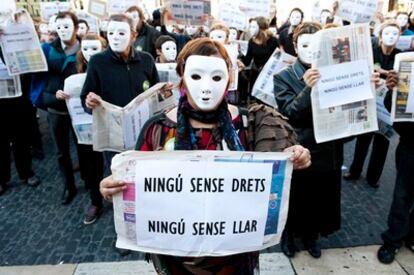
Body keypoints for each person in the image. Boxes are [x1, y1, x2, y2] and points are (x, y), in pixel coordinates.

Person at [100, 37, 311, 274]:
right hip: (177, 257)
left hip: (233, 257)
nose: (206, 87)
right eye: (196, 76)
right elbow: (136, 188)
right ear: (182, 75)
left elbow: (273, 170)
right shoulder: (156, 129)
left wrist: (294, 156)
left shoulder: (249, 123)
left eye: (217, 77)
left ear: (229, 78)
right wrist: (115, 190)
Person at [274, 22, 343, 259]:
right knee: (295, 195)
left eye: (315, 46)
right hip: (300, 145)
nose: (310, 51)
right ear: (295, 47)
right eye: (304, 45)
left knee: (318, 196)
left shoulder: (335, 71)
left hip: (327, 147)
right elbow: (290, 112)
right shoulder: (283, 77)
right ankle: (289, 234)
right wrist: (307, 88)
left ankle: (311, 235)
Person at [81, 14, 159, 175]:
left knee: (144, 174)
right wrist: (90, 103)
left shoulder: (146, 60)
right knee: (118, 176)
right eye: (111, 33)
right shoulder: (97, 62)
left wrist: (163, 94)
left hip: (142, 130)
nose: (115, 38)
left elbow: (155, 93)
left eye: (121, 33)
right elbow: (86, 97)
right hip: (113, 134)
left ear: (133, 35)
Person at [344, 22, 401, 188]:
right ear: (380, 36)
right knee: (363, 139)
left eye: (394, 34)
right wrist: (383, 73)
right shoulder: (371, 51)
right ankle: (354, 171)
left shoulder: (400, 56)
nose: (390, 37)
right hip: (369, 102)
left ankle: (373, 177)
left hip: (387, 106)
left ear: (398, 38)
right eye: (387, 33)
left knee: (382, 142)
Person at [57, 33, 107, 223]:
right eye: (85, 48)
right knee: (91, 165)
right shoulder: (74, 68)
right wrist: (61, 94)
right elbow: (65, 90)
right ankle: (95, 201)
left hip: (108, 123)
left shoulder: (110, 67)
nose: (89, 53)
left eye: (95, 49)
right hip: (85, 126)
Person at [37, 11, 81, 205]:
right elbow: (42, 82)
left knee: (84, 149)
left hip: (79, 111)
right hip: (56, 110)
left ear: (76, 28)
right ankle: (68, 186)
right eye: (60, 27)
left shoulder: (85, 48)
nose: (63, 31)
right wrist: (53, 95)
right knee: (61, 152)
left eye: (67, 27)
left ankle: (89, 180)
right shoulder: (47, 50)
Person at [0, 10, 41, 195]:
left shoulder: (15, 39)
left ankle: (26, 173)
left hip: (19, 99)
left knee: (21, 139)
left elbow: (31, 64)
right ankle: (2, 179)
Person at [377, 70, 414, 264]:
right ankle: (393, 241)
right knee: (402, 196)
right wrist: (393, 91)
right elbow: (395, 111)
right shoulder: (409, 66)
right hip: (411, 145)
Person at [240, 16, 279, 99]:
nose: (250, 29)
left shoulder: (273, 41)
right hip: (257, 74)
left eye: (253, 27)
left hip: (269, 75)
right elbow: (247, 60)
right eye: (250, 26)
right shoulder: (251, 41)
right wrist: (239, 56)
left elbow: (278, 58)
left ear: (261, 28)